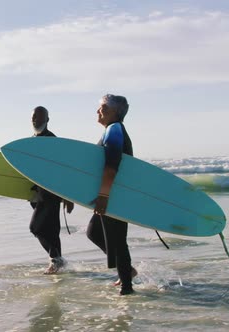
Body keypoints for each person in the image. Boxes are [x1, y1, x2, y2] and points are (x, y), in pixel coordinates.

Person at [86, 94, 137, 295]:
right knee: (94, 231)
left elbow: (111, 166)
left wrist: (104, 196)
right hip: (113, 191)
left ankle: (127, 288)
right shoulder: (112, 129)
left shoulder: (115, 130)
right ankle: (127, 273)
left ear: (115, 112)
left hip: (114, 193)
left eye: (103, 108)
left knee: (117, 240)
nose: (98, 111)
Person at [29, 106, 74, 274]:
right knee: (50, 230)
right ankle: (56, 262)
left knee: (36, 227)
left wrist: (67, 196)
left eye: (40, 118)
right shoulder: (31, 140)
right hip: (38, 193)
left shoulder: (52, 140)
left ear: (48, 120)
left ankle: (56, 259)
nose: (36, 120)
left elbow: (63, 169)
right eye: (34, 117)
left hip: (51, 193)